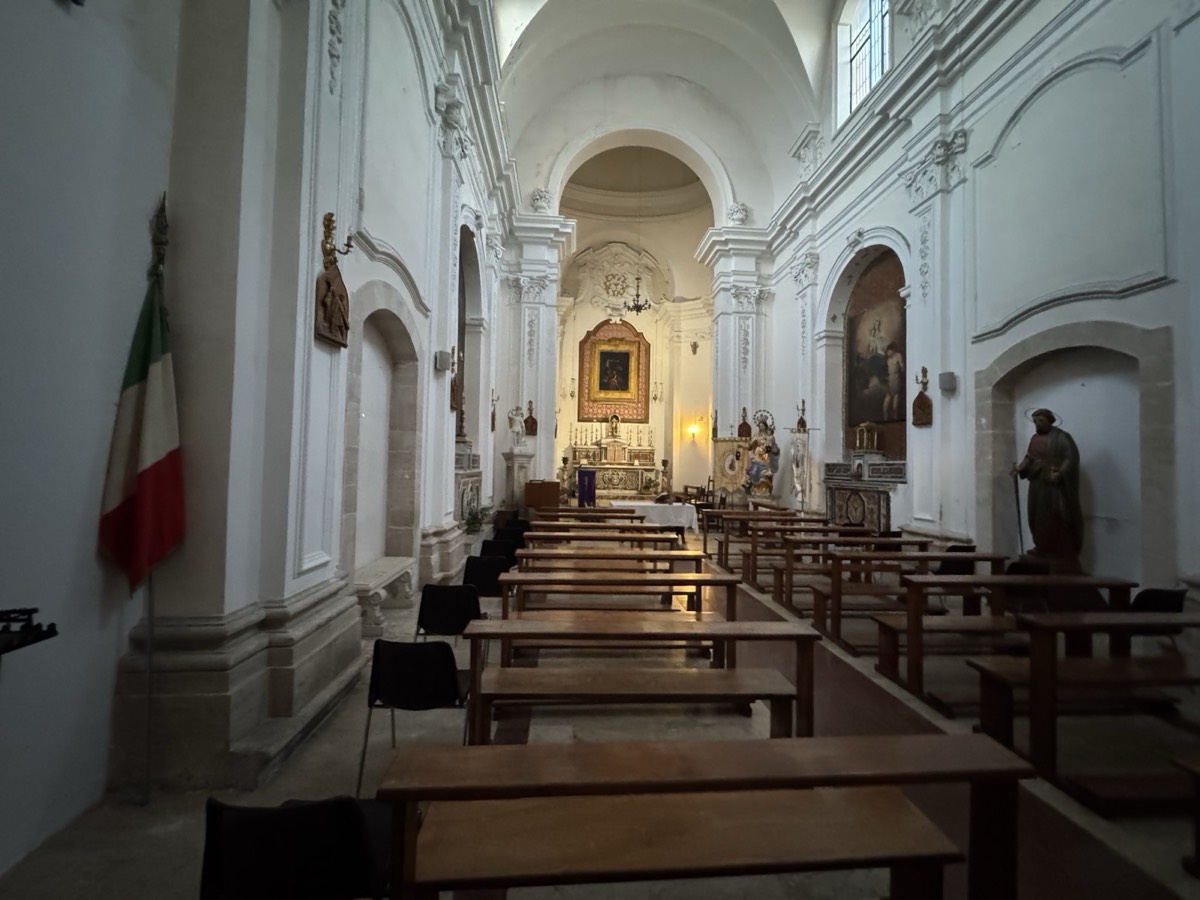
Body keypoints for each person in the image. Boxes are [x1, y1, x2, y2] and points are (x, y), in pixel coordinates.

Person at [1014, 408, 1083, 566]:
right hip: (1037, 483)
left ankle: (1062, 551)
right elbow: (1029, 458)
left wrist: (1060, 473)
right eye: (1036, 421)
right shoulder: (1035, 439)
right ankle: (1042, 547)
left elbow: (1071, 458)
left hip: (1053, 485)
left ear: (1050, 421)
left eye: (1041, 421)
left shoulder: (1062, 437)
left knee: (1056, 516)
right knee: (1036, 515)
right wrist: (1019, 468)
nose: (1038, 424)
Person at [882, 342, 904, 420]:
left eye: (888, 351)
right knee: (885, 406)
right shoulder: (888, 360)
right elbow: (888, 371)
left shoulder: (898, 356)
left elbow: (902, 368)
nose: (887, 353)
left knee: (895, 407)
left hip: (896, 381)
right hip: (890, 382)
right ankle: (886, 422)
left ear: (892, 350)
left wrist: (901, 366)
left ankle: (896, 421)